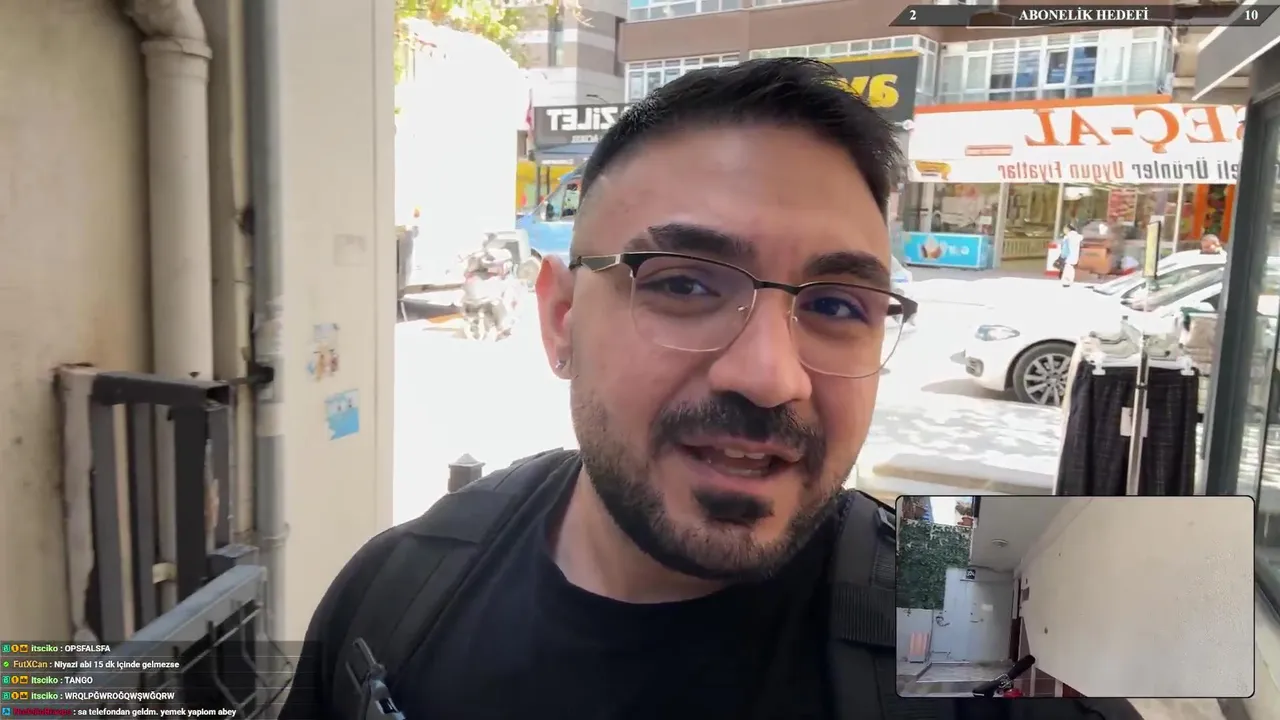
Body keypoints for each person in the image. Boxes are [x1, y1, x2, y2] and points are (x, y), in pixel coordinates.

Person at [279, 59, 1140, 720]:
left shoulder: (989, 632)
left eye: (837, 306)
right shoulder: (398, 593)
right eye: (685, 284)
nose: (770, 376)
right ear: (561, 319)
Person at [1057, 222, 1083, 286]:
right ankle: (1069, 280)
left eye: (1065, 229)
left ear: (1068, 229)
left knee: (1067, 268)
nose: (1064, 230)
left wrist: (1062, 256)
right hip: (1075, 256)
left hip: (1067, 255)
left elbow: (1064, 248)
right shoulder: (1078, 236)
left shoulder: (1067, 237)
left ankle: (1066, 281)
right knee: (1071, 268)